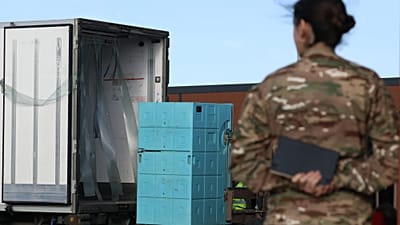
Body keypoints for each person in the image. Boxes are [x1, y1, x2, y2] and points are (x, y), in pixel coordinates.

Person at [230, 0, 400, 224]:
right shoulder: (368, 85)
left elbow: (242, 161)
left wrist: (293, 181)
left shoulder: (271, 87)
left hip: (289, 217)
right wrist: (337, 179)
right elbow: (392, 159)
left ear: (303, 28)